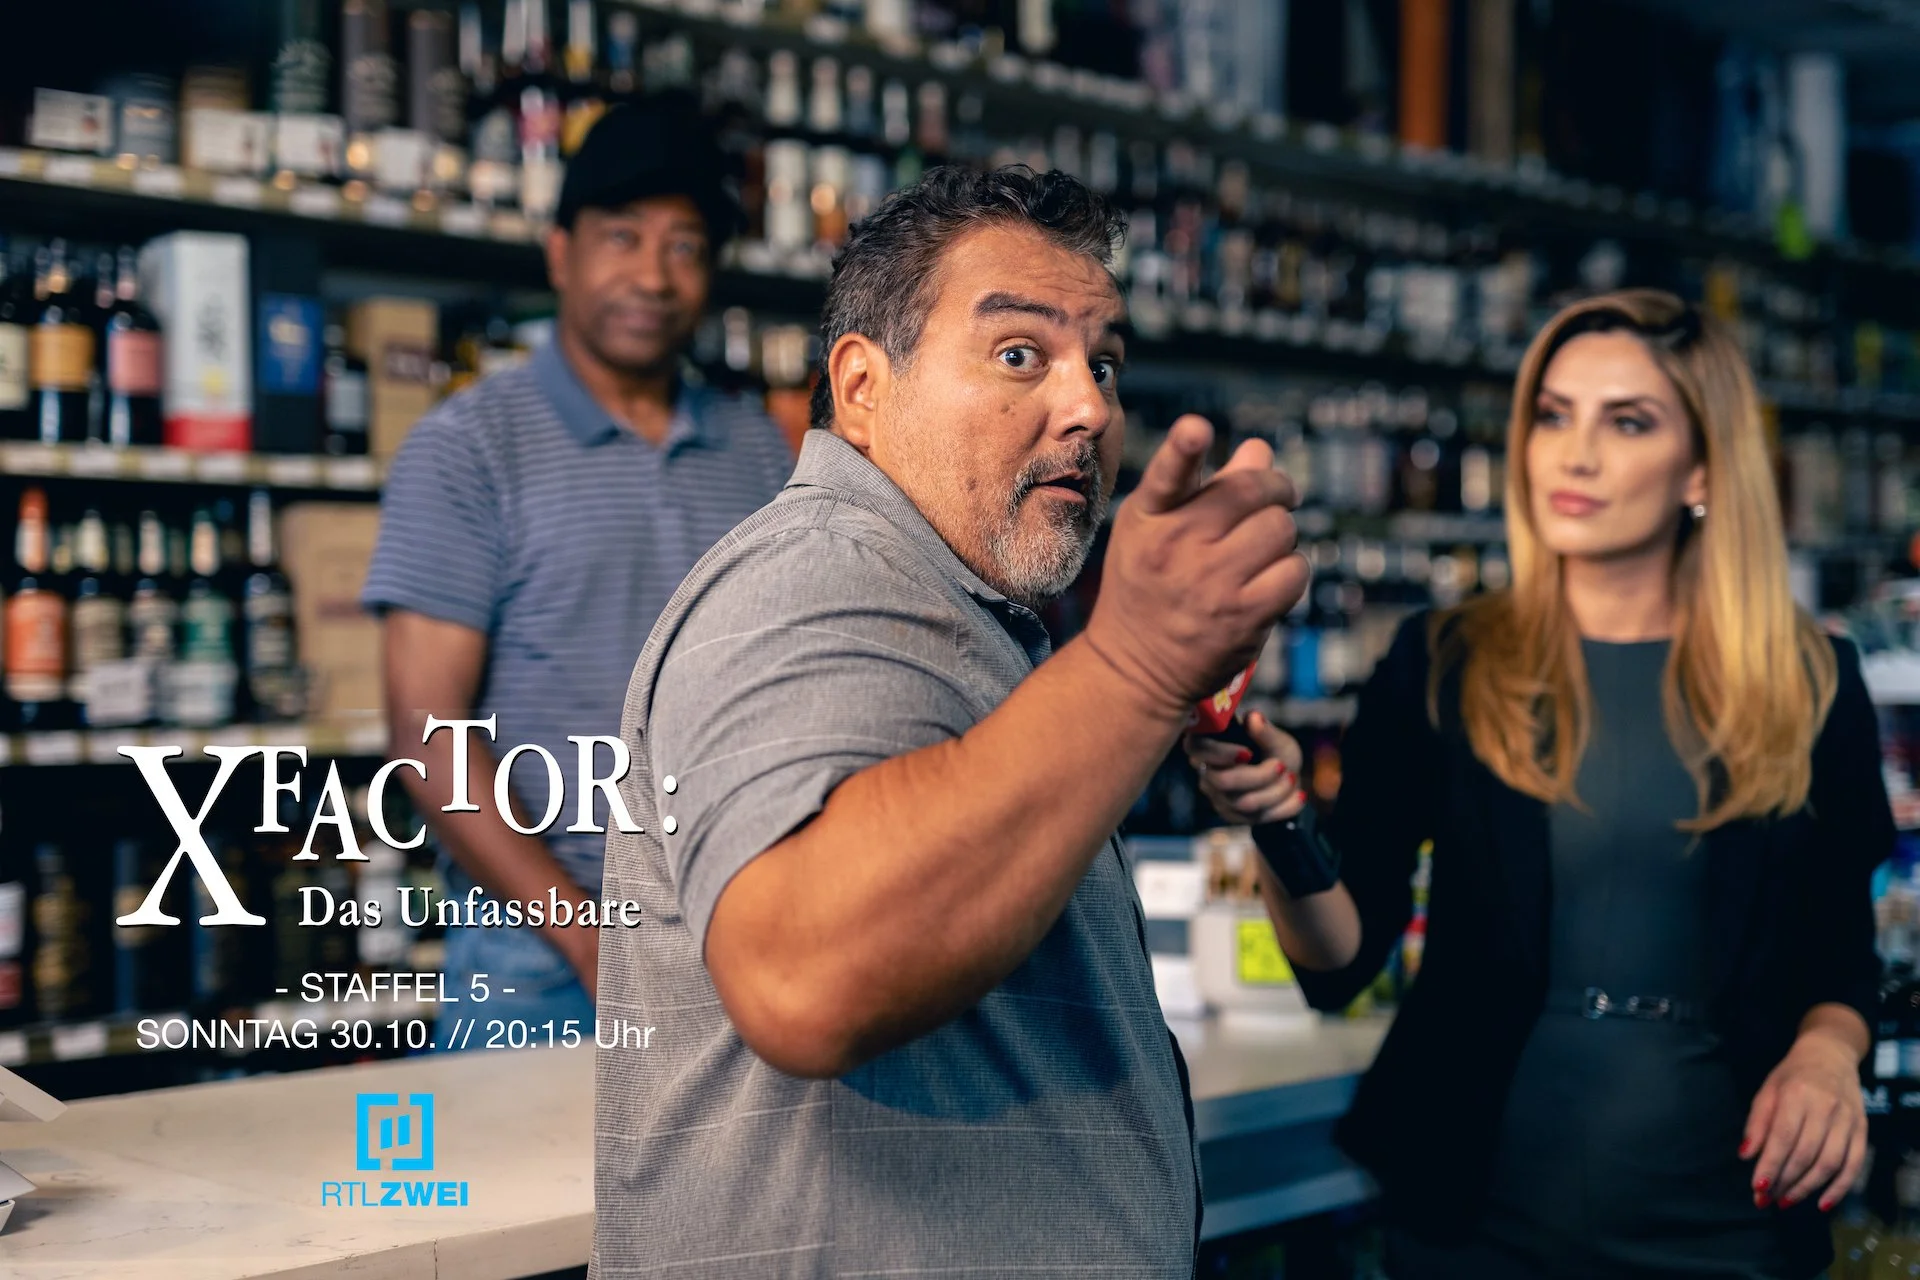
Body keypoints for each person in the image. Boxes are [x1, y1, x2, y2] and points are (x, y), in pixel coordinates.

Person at [591, 166, 1310, 1277]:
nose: (1089, 408)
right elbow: (803, 973)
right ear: (863, 386)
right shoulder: (808, 579)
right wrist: (1137, 663)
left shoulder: (966, 613)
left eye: (1104, 364)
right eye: (1021, 354)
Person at [1190, 289, 1894, 1279]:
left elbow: (1842, 959)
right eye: (1554, 415)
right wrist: (1281, 822)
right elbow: (1340, 961)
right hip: (1479, 1214)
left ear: (1700, 467)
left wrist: (1829, 1051)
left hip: (1729, 1209)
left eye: (1629, 421)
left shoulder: (1813, 682)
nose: (1576, 452)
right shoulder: (1444, 660)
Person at [361, 93, 796, 1044]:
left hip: (738, 924)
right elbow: (427, 733)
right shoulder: (468, 447)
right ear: (560, 251)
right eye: (622, 236)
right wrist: (589, 937)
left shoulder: (758, 452)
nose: (653, 274)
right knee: (529, 1196)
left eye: (684, 246)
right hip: (534, 952)